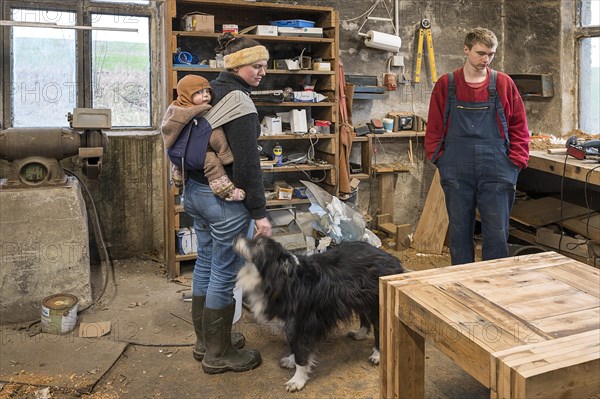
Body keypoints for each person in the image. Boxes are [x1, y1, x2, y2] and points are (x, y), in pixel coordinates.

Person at [183, 32, 272, 374]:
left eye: (264, 66)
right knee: (223, 273)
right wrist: (260, 214)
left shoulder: (207, 91)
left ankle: (206, 340)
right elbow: (248, 166)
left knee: (205, 264)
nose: (262, 72)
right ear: (237, 65)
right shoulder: (240, 102)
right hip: (224, 199)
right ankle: (218, 354)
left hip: (195, 192)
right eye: (256, 66)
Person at [425, 27, 530, 265]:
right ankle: (463, 283)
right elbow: (434, 126)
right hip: (457, 167)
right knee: (460, 232)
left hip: (497, 167)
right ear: (466, 49)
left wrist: (516, 160)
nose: (486, 59)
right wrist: (438, 157)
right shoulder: (446, 84)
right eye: (481, 53)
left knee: (496, 233)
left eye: (491, 54)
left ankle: (494, 285)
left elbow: (519, 125)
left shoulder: (503, 83)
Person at [161, 74, 245, 201]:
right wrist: (225, 155)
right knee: (212, 162)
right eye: (199, 92)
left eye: (207, 91)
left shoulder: (175, 109)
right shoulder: (204, 113)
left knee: (181, 154)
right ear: (187, 95)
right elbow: (216, 137)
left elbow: (168, 132)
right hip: (200, 155)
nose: (206, 95)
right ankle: (226, 191)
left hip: (178, 155)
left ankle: (178, 175)